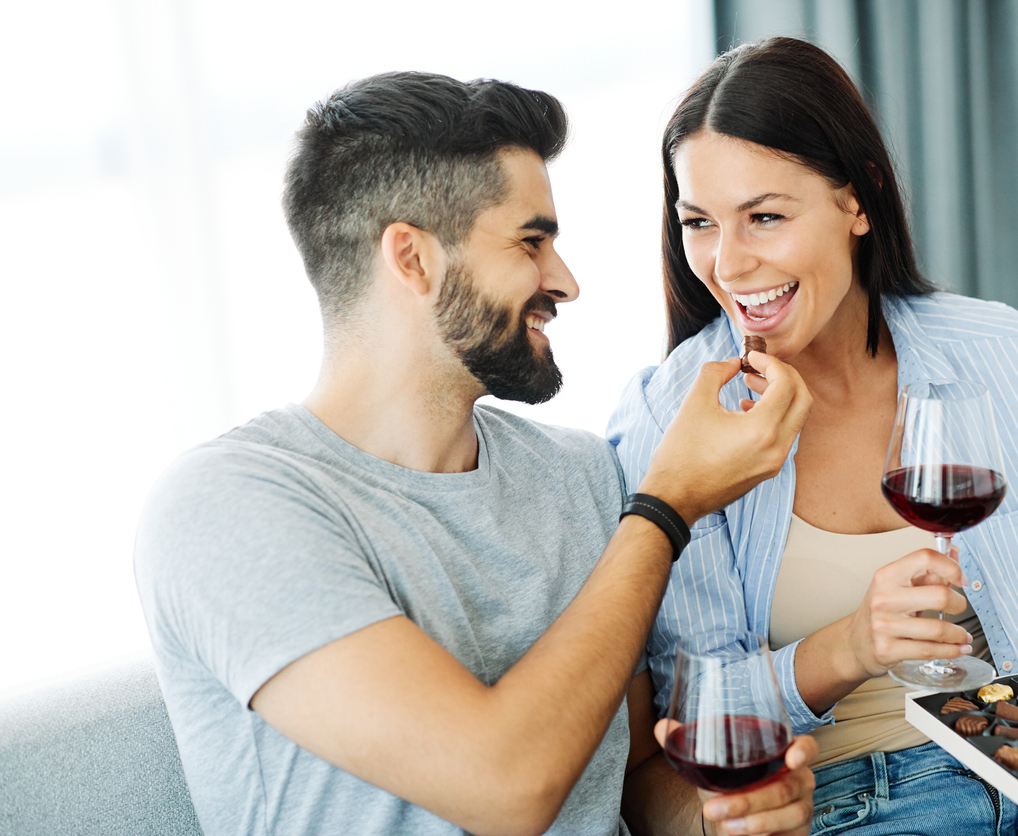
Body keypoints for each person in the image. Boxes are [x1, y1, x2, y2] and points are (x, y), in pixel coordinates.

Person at [133, 71, 819, 836]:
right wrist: (667, 507)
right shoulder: (230, 506)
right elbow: (505, 789)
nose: (566, 282)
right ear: (413, 259)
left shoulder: (579, 475)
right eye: (532, 242)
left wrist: (716, 821)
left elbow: (627, 777)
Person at [609, 38, 1018, 836]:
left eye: (766, 217)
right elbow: (695, 707)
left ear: (860, 200)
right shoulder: (673, 414)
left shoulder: (998, 352)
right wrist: (849, 646)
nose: (729, 263)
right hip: (863, 794)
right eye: (699, 222)